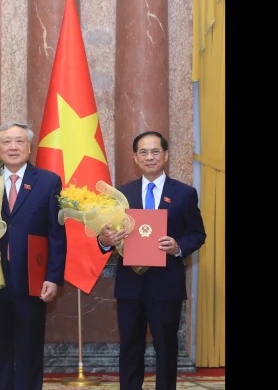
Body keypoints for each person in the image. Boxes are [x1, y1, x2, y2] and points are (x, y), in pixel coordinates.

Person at [98, 131, 206, 390]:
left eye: (155, 151)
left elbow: (198, 234)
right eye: (143, 152)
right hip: (130, 286)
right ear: (135, 157)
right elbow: (104, 240)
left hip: (166, 286)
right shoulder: (121, 195)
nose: (149, 157)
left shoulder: (184, 193)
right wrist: (106, 239)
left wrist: (178, 246)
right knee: (129, 349)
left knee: (166, 350)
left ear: (166, 155)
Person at [0, 122, 67, 390]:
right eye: (7, 142)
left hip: (32, 280)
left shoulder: (48, 182)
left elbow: (57, 235)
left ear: (30, 147)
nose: (13, 147)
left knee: (29, 348)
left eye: (19, 141)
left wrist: (53, 277)